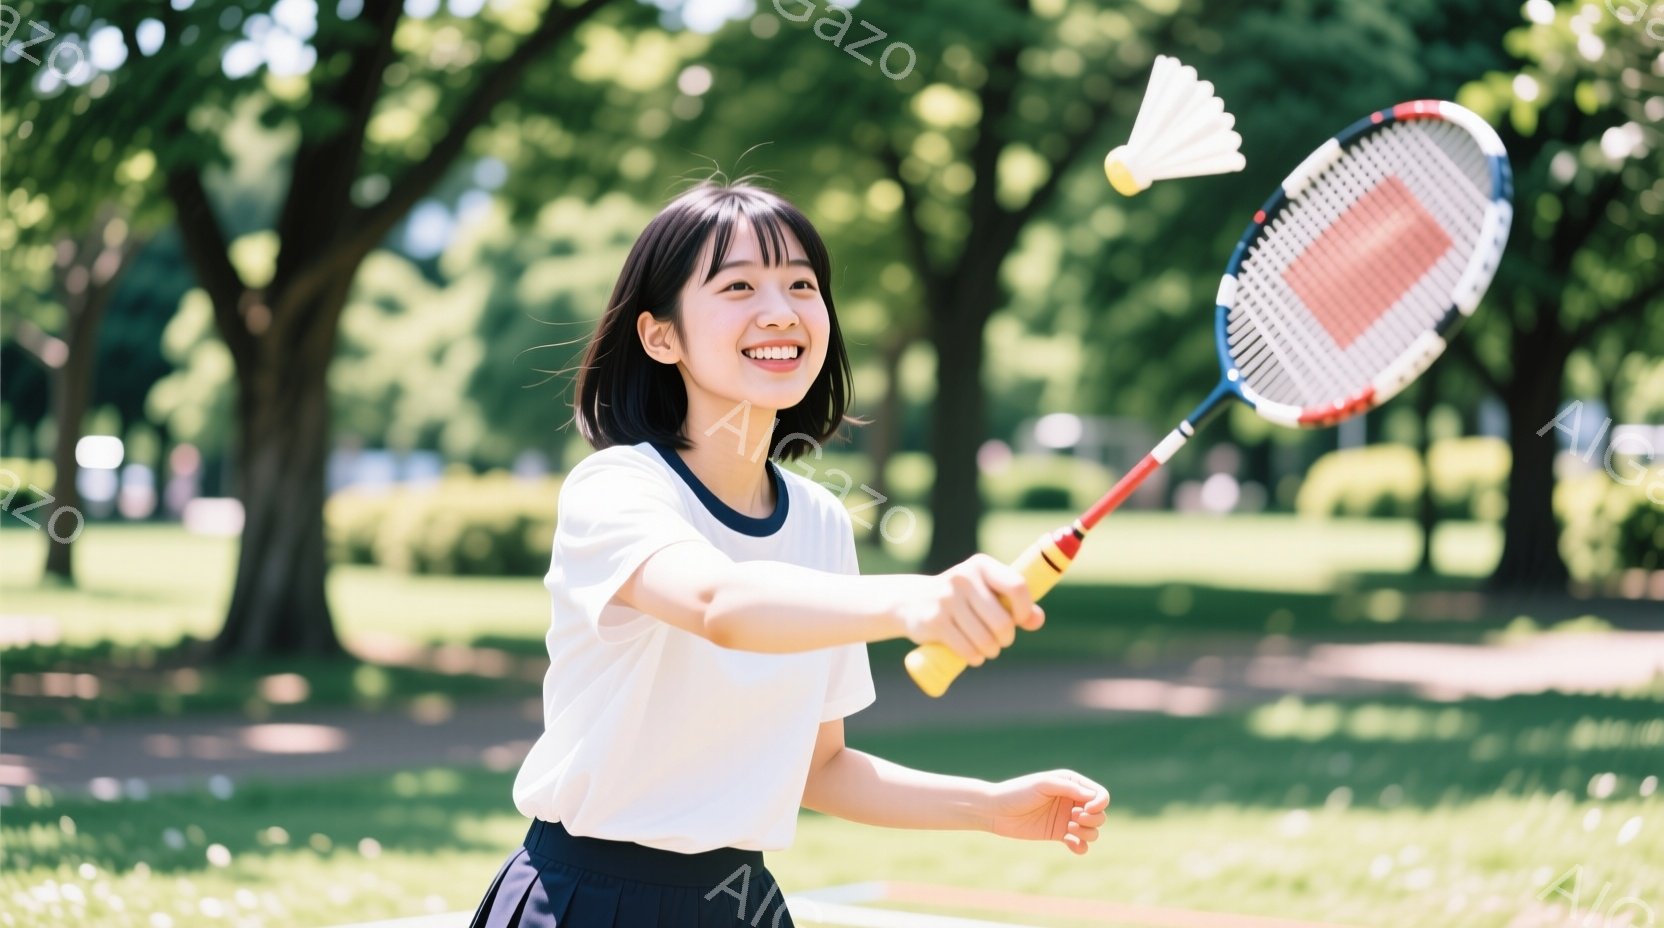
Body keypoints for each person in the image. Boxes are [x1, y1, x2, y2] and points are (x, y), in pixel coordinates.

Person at [469, 180, 1110, 928]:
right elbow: (722, 606)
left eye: (802, 284)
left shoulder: (819, 520)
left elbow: (821, 767)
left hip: (740, 906)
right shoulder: (615, 488)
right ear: (660, 336)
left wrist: (990, 807)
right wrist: (912, 602)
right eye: (737, 285)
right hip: (587, 900)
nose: (781, 311)